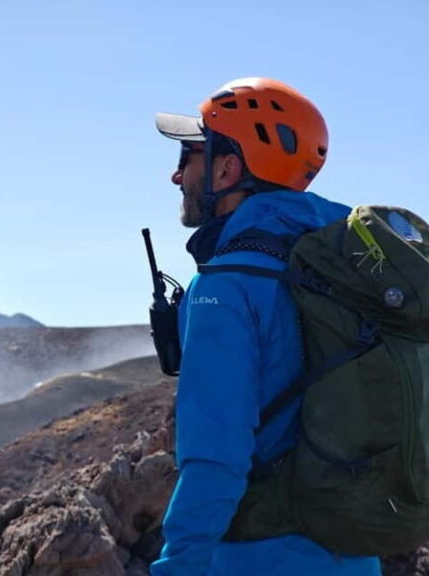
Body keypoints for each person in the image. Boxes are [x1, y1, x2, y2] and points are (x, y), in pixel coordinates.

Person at [149, 78, 383, 575]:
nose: (177, 176)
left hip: (260, 556)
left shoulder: (225, 286)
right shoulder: (352, 271)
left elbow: (216, 457)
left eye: (189, 156)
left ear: (228, 168)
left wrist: (179, 565)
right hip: (354, 555)